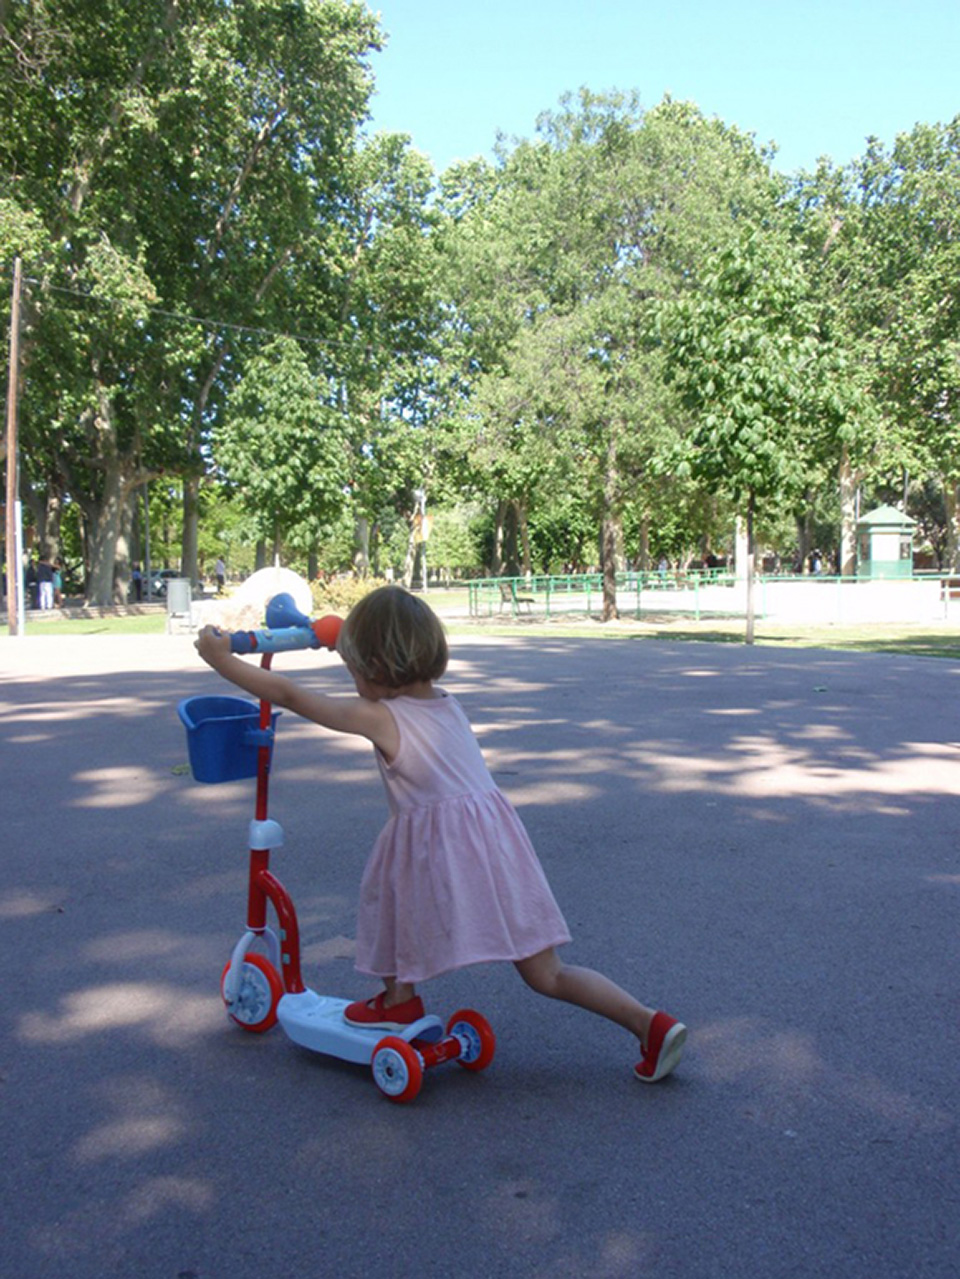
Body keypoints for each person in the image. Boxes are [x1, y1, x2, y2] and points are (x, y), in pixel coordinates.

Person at [195, 586, 686, 1084]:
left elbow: (290, 695)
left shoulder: (378, 716)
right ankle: (649, 1024)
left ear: (378, 668)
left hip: (440, 848)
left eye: (354, 668)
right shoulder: (444, 703)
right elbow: (382, 656)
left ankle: (398, 1003)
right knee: (548, 974)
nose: (351, 678)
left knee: (385, 901)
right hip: (498, 846)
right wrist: (338, 635)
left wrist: (221, 661)